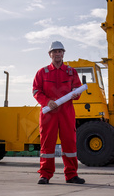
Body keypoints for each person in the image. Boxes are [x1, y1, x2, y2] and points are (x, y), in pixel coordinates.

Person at [32, 41, 85, 185]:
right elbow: (36, 91)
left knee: (69, 144)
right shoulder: (42, 72)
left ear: (63, 54)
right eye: (54, 52)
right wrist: (47, 101)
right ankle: (45, 175)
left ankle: (71, 175)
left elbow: (78, 89)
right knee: (47, 144)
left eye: (60, 51)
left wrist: (76, 94)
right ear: (50, 54)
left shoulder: (71, 71)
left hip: (66, 113)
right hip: (49, 114)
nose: (57, 54)